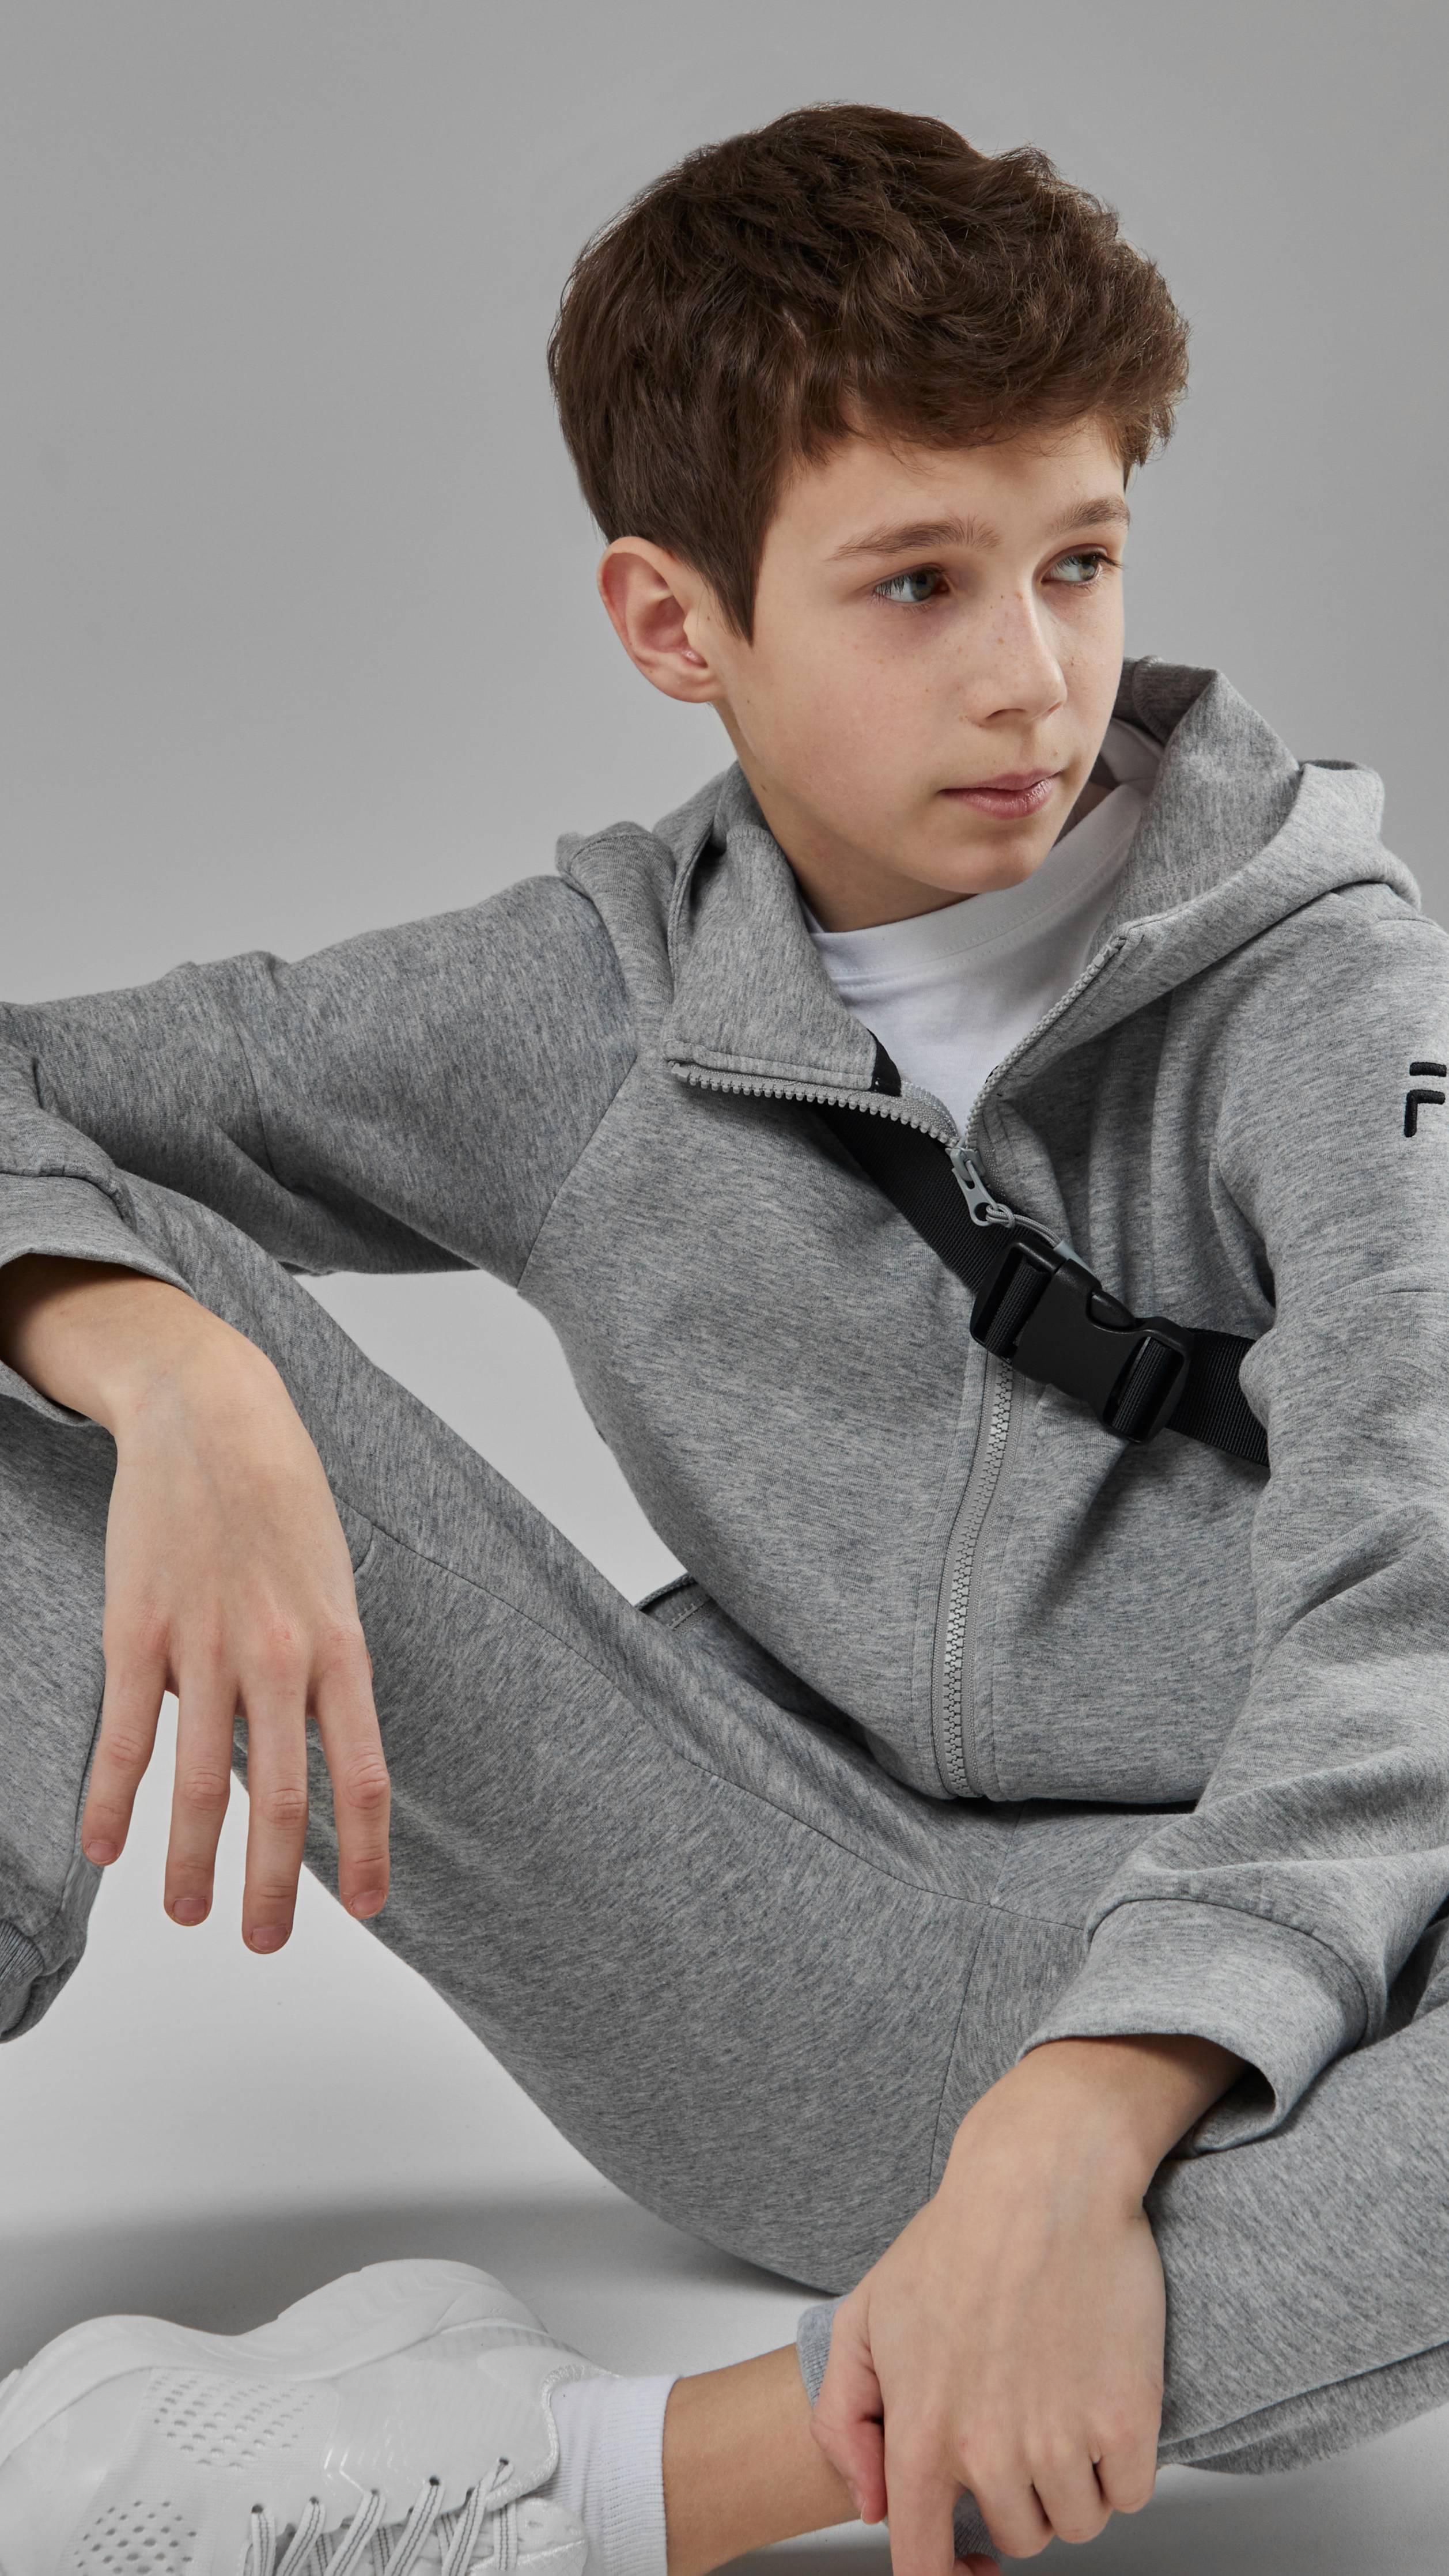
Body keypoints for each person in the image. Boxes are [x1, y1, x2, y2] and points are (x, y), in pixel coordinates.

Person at [0, 96, 1446, 2576]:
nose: (1031, 675)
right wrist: (169, 1369)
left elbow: (1406, 1623)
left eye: (1077, 560)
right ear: (678, 625)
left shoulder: (1330, 1008)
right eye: (916, 584)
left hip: (1255, 2046)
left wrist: (1088, 2100)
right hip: (756, 1937)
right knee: (37, 1345)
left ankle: (565, 2481)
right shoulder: (597, 1006)